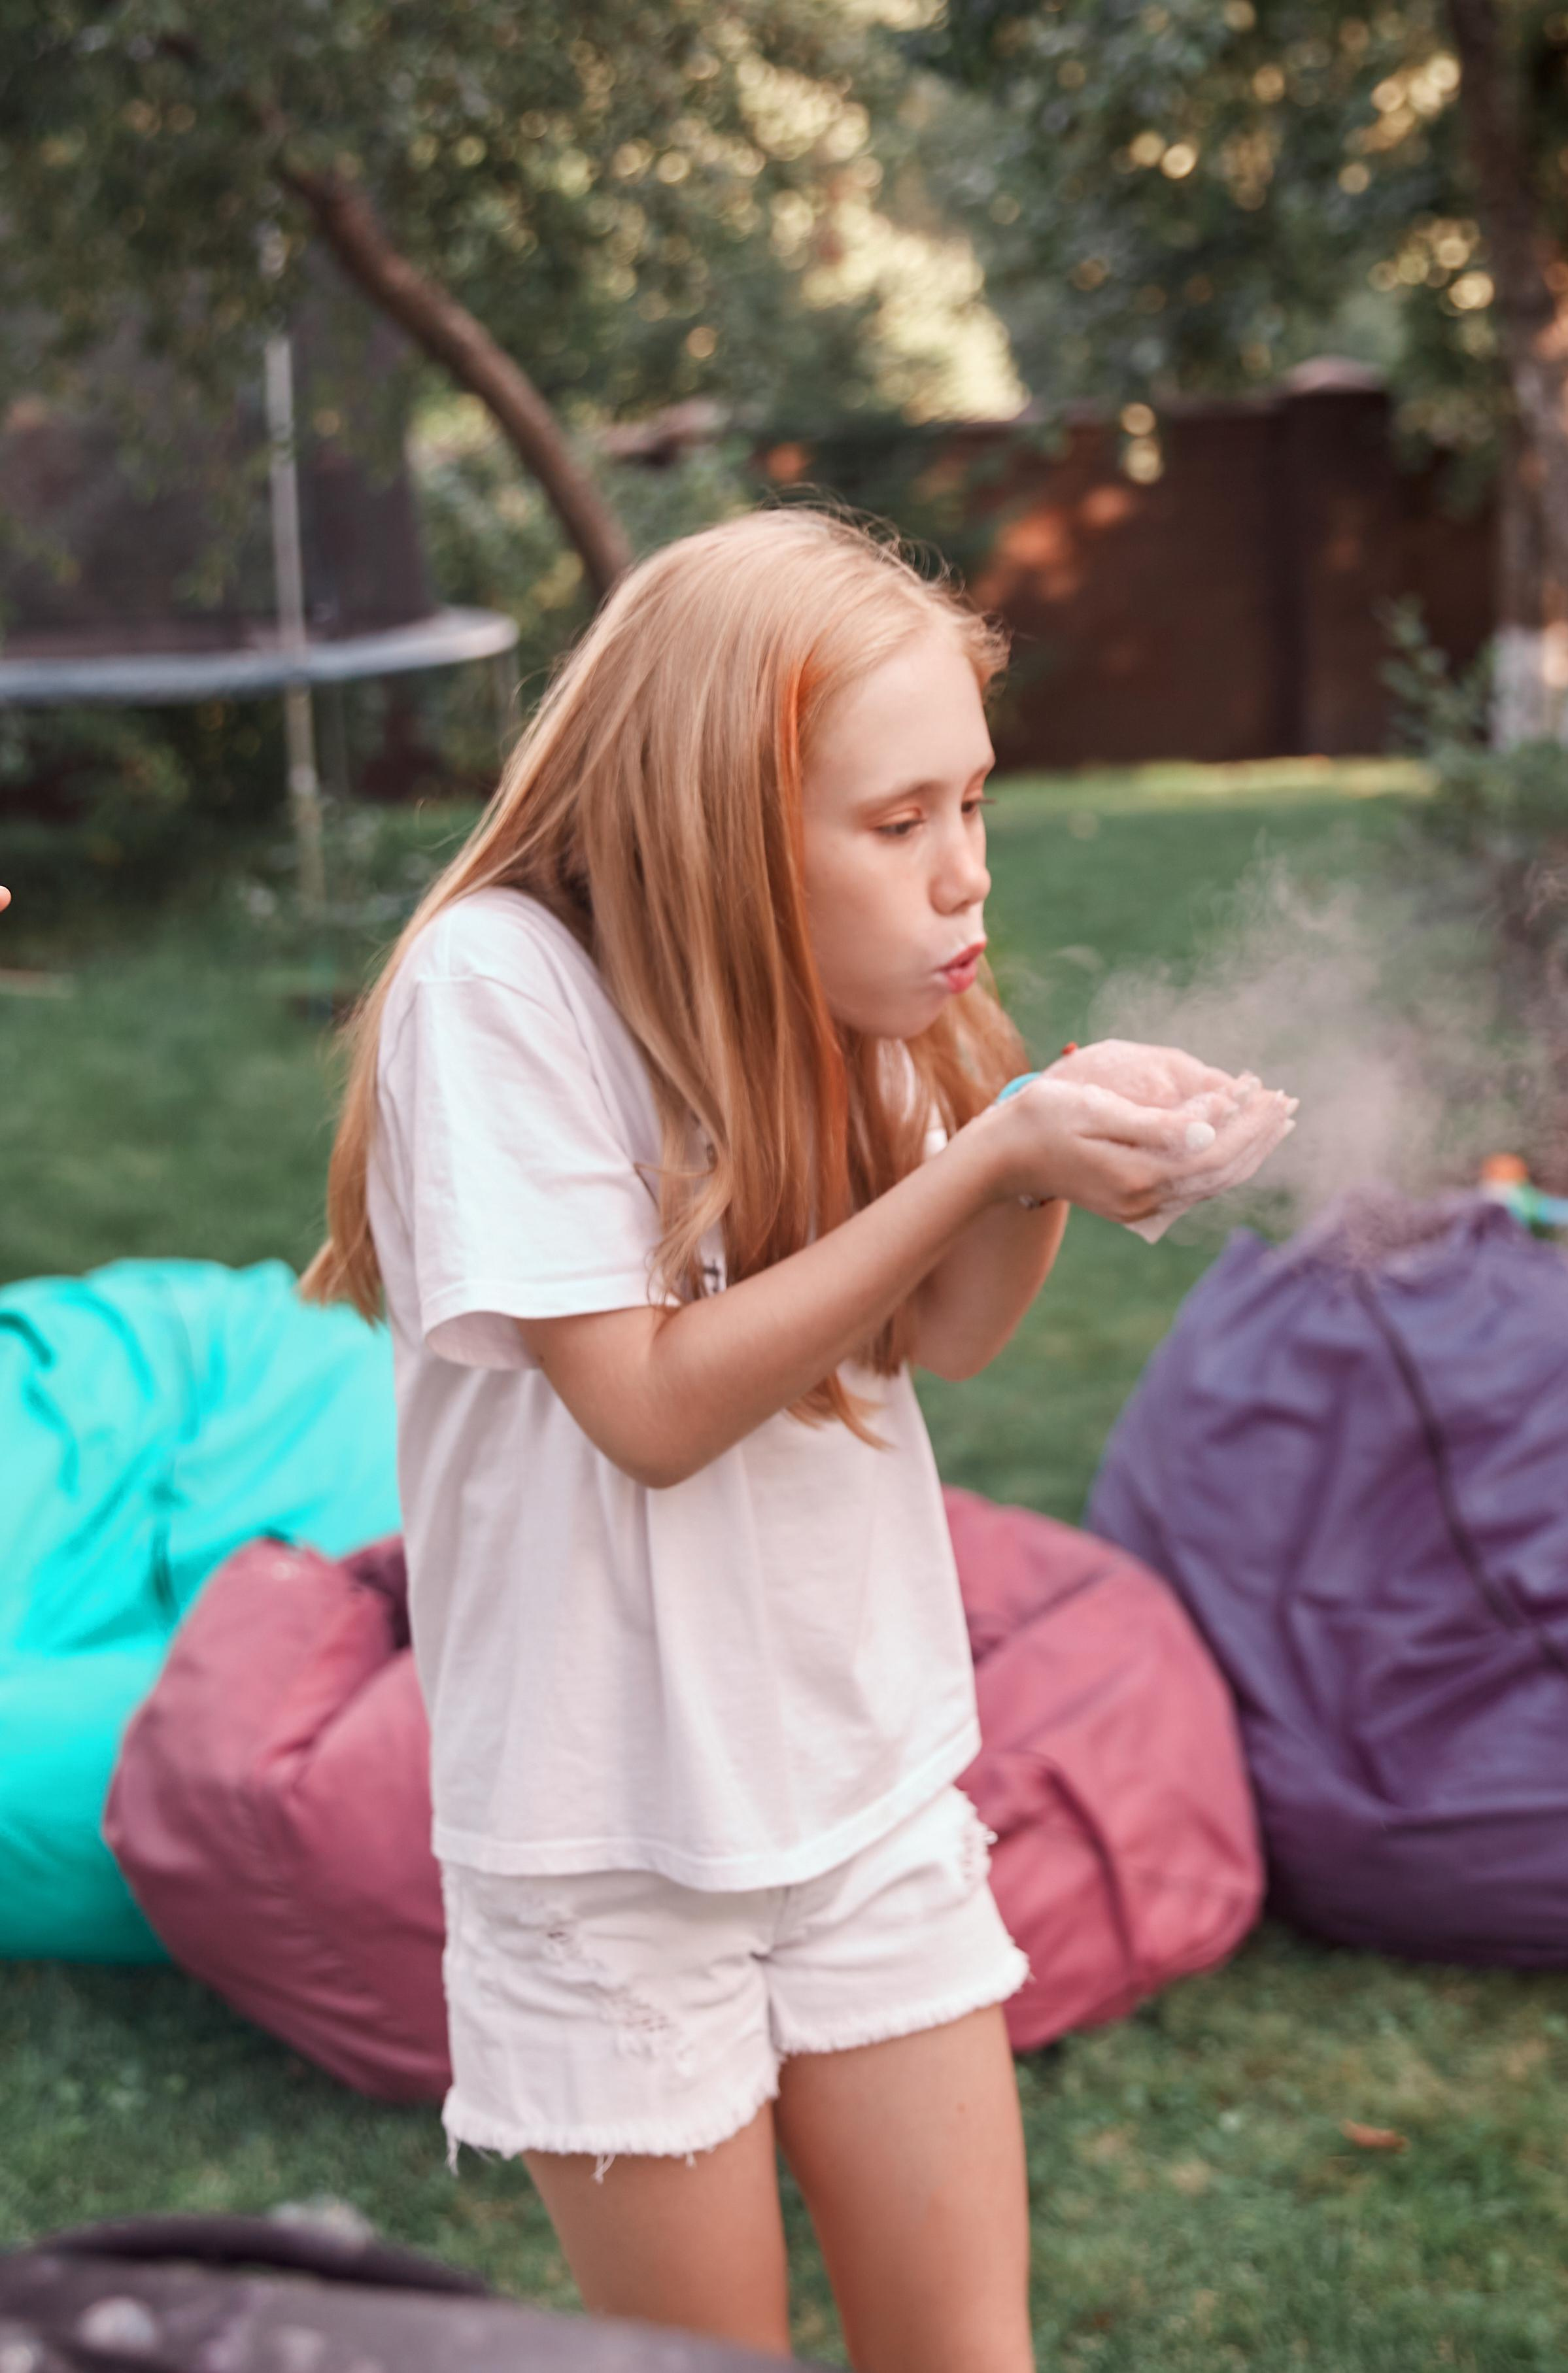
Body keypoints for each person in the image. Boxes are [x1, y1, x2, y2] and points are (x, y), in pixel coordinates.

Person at [303, 509, 1290, 2372]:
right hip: (607, 1848)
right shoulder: (498, 992)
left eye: (971, 807)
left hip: (859, 1787)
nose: (957, 879)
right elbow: (651, 1409)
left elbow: (945, 1335)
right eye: (896, 822)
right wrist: (992, 1156)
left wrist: (1050, 1148)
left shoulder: (871, 995)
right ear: (719, 826)